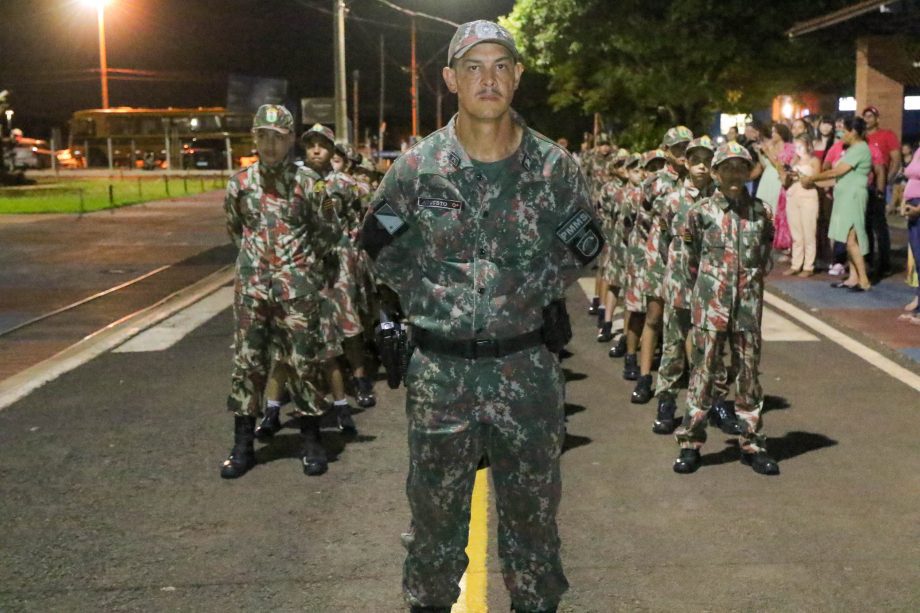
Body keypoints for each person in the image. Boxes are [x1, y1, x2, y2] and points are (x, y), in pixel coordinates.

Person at [360, 20, 603, 613]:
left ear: (517, 76)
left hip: (526, 368)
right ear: (451, 79)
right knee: (434, 523)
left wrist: (525, 291)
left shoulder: (555, 169)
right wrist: (430, 299)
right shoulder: (417, 169)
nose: (487, 79)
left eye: (499, 66)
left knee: (533, 525)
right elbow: (378, 245)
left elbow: (584, 248)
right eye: (473, 67)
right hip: (440, 375)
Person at [220, 104, 341, 479]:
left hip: (297, 291)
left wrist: (301, 266)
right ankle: (243, 445)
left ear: (290, 140)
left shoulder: (311, 183)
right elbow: (235, 230)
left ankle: (312, 441)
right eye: (263, 136)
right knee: (248, 365)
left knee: (304, 364)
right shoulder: (239, 184)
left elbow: (330, 229)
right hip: (252, 291)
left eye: (278, 137)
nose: (270, 144)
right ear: (254, 139)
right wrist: (259, 264)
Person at [673, 142, 779, 476]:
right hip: (711, 307)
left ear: (749, 173)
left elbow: (765, 256)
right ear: (716, 173)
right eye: (728, 168)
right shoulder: (700, 212)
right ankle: (690, 443)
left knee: (749, 376)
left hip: (747, 307)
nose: (735, 174)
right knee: (703, 375)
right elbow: (690, 262)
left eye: (741, 167)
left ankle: (752, 443)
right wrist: (705, 293)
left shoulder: (762, 212)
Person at [652, 136, 717, 434]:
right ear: (686, 163)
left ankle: (706, 402)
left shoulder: (719, 200)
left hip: (711, 285)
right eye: (696, 160)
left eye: (707, 160)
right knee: (673, 344)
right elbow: (662, 240)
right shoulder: (673, 200)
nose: (702, 166)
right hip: (679, 281)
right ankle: (666, 401)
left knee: (708, 348)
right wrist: (670, 273)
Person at [633, 126, 693, 404]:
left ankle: (693, 382)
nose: (683, 152)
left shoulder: (697, 180)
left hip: (686, 260)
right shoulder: (654, 183)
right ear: (666, 151)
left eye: (686, 147)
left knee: (686, 321)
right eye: (677, 148)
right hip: (658, 257)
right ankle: (645, 376)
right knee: (654, 317)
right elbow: (643, 221)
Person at [802, 116, 873, 291]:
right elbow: (840, 177)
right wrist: (815, 183)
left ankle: (864, 280)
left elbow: (837, 171)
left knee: (851, 238)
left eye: (844, 130)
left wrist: (813, 177)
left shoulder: (860, 148)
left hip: (853, 196)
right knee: (848, 238)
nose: (841, 134)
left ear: (853, 132)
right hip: (845, 195)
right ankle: (853, 278)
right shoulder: (852, 149)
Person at [863, 106, 900, 279]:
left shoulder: (887, 135)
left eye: (871, 116)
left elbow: (896, 160)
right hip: (862, 186)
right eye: (865, 116)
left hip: (877, 187)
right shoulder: (862, 137)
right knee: (864, 226)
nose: (867, 119)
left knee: (879, 226)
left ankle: (885, 264)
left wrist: (885, 182)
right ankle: (868, 261)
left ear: (877, 118)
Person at [783, 135, 821, 277]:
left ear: (808, 146)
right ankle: (796, 264)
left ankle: (808, 266)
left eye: (800, 146)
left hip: (808, 197)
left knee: (809, 233)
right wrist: (787, 175)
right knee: (796, 234)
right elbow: (785, 183)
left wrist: (799, 174)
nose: (797, 149)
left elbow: (815, 179)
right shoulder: (794, 161)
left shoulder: (814, 161)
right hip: (793, 196)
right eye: (795, 147)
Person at [899, 142, 920, 322]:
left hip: (918, 206)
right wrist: (903, 202)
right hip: (912, 204)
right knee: (918, 259)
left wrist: (918, 208)